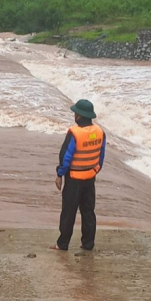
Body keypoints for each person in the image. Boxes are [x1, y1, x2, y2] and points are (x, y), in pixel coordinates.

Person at [51, 99, 106, 252]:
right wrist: (95, 170)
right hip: (90, 178)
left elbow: (65, 157)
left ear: (79, 116)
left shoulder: (74, 133)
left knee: (69, 212)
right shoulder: (99, 132)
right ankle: (88, 244)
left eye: (75, 113)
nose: (74, 115)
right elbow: (101, 156)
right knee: (88, 212)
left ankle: (62, 244)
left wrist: (59, 174)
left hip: (74, 179)